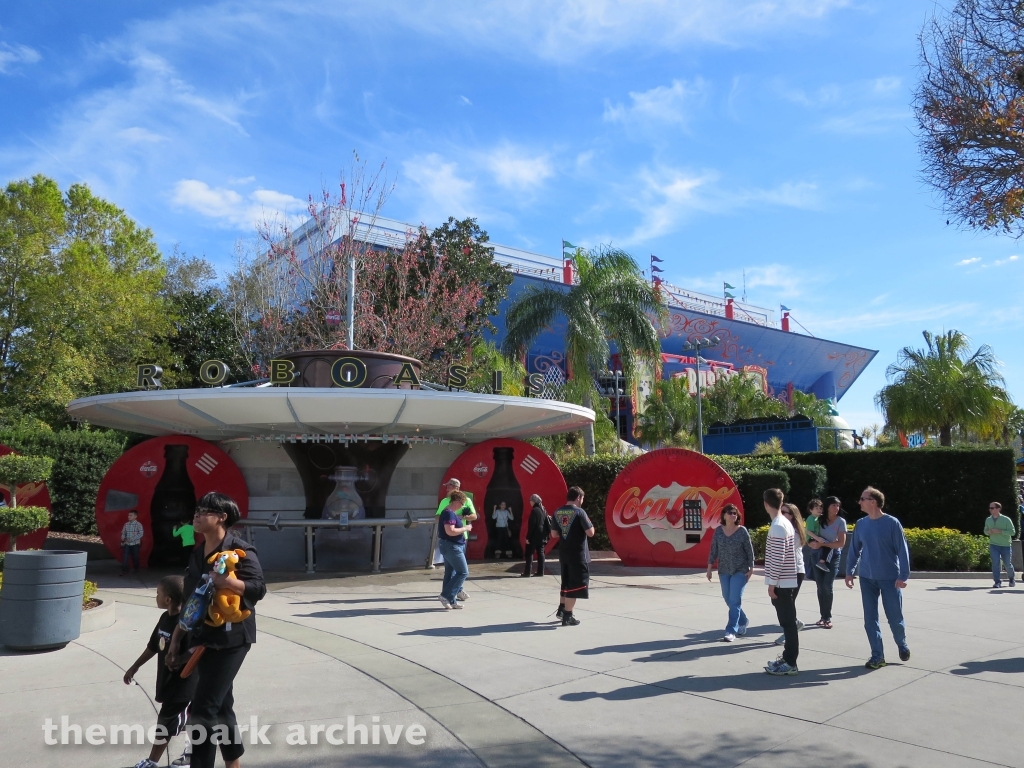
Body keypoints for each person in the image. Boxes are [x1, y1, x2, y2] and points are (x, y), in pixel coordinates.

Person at [166, 492, 266, 768]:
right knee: (220, 706)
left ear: (221, 517)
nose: (197, 515)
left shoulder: (240, 551)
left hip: (232, 639)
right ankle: (233, 764)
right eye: (196, 510)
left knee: (202, 709)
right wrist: (176, 641)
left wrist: (227, 582)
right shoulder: (198, 554)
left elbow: (258, 589)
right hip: (202, 638)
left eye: (204, 511)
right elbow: (189, 603)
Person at [124, 575, 198, 768]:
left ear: (168, 600)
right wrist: (135, 666)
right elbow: (154, 646)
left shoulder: (186, 624)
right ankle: (191, 756)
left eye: (158, 594)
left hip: (184, 683)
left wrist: (179, 661)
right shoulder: (165, 618)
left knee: (166, 722)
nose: (156, 597)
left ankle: (152, 762)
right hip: (167, 681)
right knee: (189, 720)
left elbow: (196, 652)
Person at [844, 486, 911, 670]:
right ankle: (877, 655)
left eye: (862, 498)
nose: (859, 502)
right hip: (867, 578)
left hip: (890, 578)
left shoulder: (892, 523)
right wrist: (849, 571)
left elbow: (902, 550)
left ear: (873, 501)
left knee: (894, 617)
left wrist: (903, 575)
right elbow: (854, 549)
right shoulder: (861, 523)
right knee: (870, 619)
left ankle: (902, 644)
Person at [763, 488, 800, 676]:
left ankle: (791, 662)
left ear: (766, 504)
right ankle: (787, 658)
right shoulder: (784, 522)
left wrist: (772, 583)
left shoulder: (778, 525)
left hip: (782, 583)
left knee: (788, 624)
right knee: (788, 623)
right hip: (785, 581)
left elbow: (778, 558)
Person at [705, 503, 754, 642]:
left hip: (740, 570)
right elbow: (713, 550)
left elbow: (749, 550)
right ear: (724, 515)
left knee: (735, 600)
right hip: (724, 570)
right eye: (730, 512)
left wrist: (751, 567)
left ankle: (731, 630)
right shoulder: (718, 531)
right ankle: (743, 620)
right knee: (728, 599)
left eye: (735, 513)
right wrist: (709, 568)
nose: (733, 515)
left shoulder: (742, 531)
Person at [550, 486, 595, 627]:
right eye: (582, 498)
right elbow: (590, 532)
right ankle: (568, 616)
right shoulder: (579, 512)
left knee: (566, 583)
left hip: (564, 553)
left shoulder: (557, 511)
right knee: (575, 586)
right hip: (578, 554)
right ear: (578, 498)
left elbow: (554, 534)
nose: (582, 501)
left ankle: (562, 609)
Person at [808, 496, 847, 628]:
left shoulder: (841, 521)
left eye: (838, 505)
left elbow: (841, 543)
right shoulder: (819, 519)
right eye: (833, 505)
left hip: (833, 556)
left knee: (827, 586)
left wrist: (823, 545)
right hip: (816, 555)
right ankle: (822, 616)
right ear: (827, 506)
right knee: (820, 586)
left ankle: (827, 617)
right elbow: (810, 533)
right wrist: (813, 543)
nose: (836, 508)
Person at [435, 478, 477, 601]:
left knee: (456, 568)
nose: (447, 488)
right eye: (447, 486)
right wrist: (451, 517)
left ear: (456, 488)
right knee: (454, 569)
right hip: (451, 538)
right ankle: (450, 593)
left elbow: (474, 516)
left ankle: (453, 593)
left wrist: (462, 516)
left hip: (462, 538)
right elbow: (437, 516)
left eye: (449, 486)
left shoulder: (466, 500)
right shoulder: (445, 502)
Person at [774, 503, 807, 646]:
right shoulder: (785, 528)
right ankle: (795, 624)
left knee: (786, 604)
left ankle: (789, 633)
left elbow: (783, 553)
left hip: (794, 571)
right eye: (780, 511)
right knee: (778, 602)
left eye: (784, 512)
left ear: (792, 515)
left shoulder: (793, 531)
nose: (781, 514)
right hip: (787, 572)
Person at [984, 501, 1015, 588]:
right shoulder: (988, 519)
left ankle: (1011, 578)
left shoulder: (1006, 519)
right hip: (994, 545)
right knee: (995, 563)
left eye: (992, 508)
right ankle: (997, 581)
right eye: (990, 508)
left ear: (998, 509)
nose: (990, 510)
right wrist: (988, 532)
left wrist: (1001, 531)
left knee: (1007, 564)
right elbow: (985, 530)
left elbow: (1013, 532)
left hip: (1006, 545)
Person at [522, 494, 551, 577]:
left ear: (533, 501)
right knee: (541, 553)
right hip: (543, 535)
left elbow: (532, 525)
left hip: (534, 536)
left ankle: (527, 572)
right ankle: (540, 571)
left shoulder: (534, 510)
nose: (530, 503)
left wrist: (528, 537)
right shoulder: (543, 510)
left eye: (530, 501)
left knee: (529, 553)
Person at [120, 510, 144, 576]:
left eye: (131, 515)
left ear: (135, 516)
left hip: (135, 544)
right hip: (127, 543)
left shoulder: (138, 524)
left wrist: (133, 539)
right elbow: (123, 532)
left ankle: (137, 568)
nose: (129, 517)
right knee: (125, 557)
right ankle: (124, 570)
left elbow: (141, 533)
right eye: (128, 515)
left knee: (135, 557)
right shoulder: (126, 524)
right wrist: (123, 537)